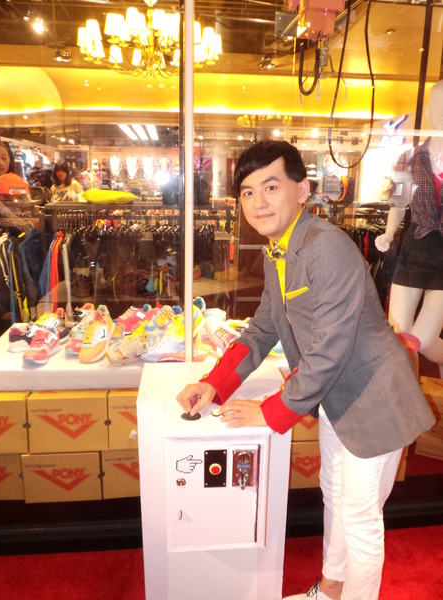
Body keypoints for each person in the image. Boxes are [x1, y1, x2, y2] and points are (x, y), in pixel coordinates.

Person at [176, 140, 435, 600]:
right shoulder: (278, 250)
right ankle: (331, 588)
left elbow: (330, 349)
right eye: (248, 192)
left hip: (375, 399)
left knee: (359, 518)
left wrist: (271, 411)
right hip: (337, 398)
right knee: (333, 492)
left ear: (302, 190)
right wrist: (213, 385)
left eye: (271, 187)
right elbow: (262, 328)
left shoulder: (325, 246)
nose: (258, 202)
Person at [375, 79, 443, 377]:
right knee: (400, 337)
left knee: (424, 340)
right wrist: (388, 234)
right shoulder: (410, 157)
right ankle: (407, 393)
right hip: (415, 250)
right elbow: (398, 203)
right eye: (438, 107)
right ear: (427, 111)